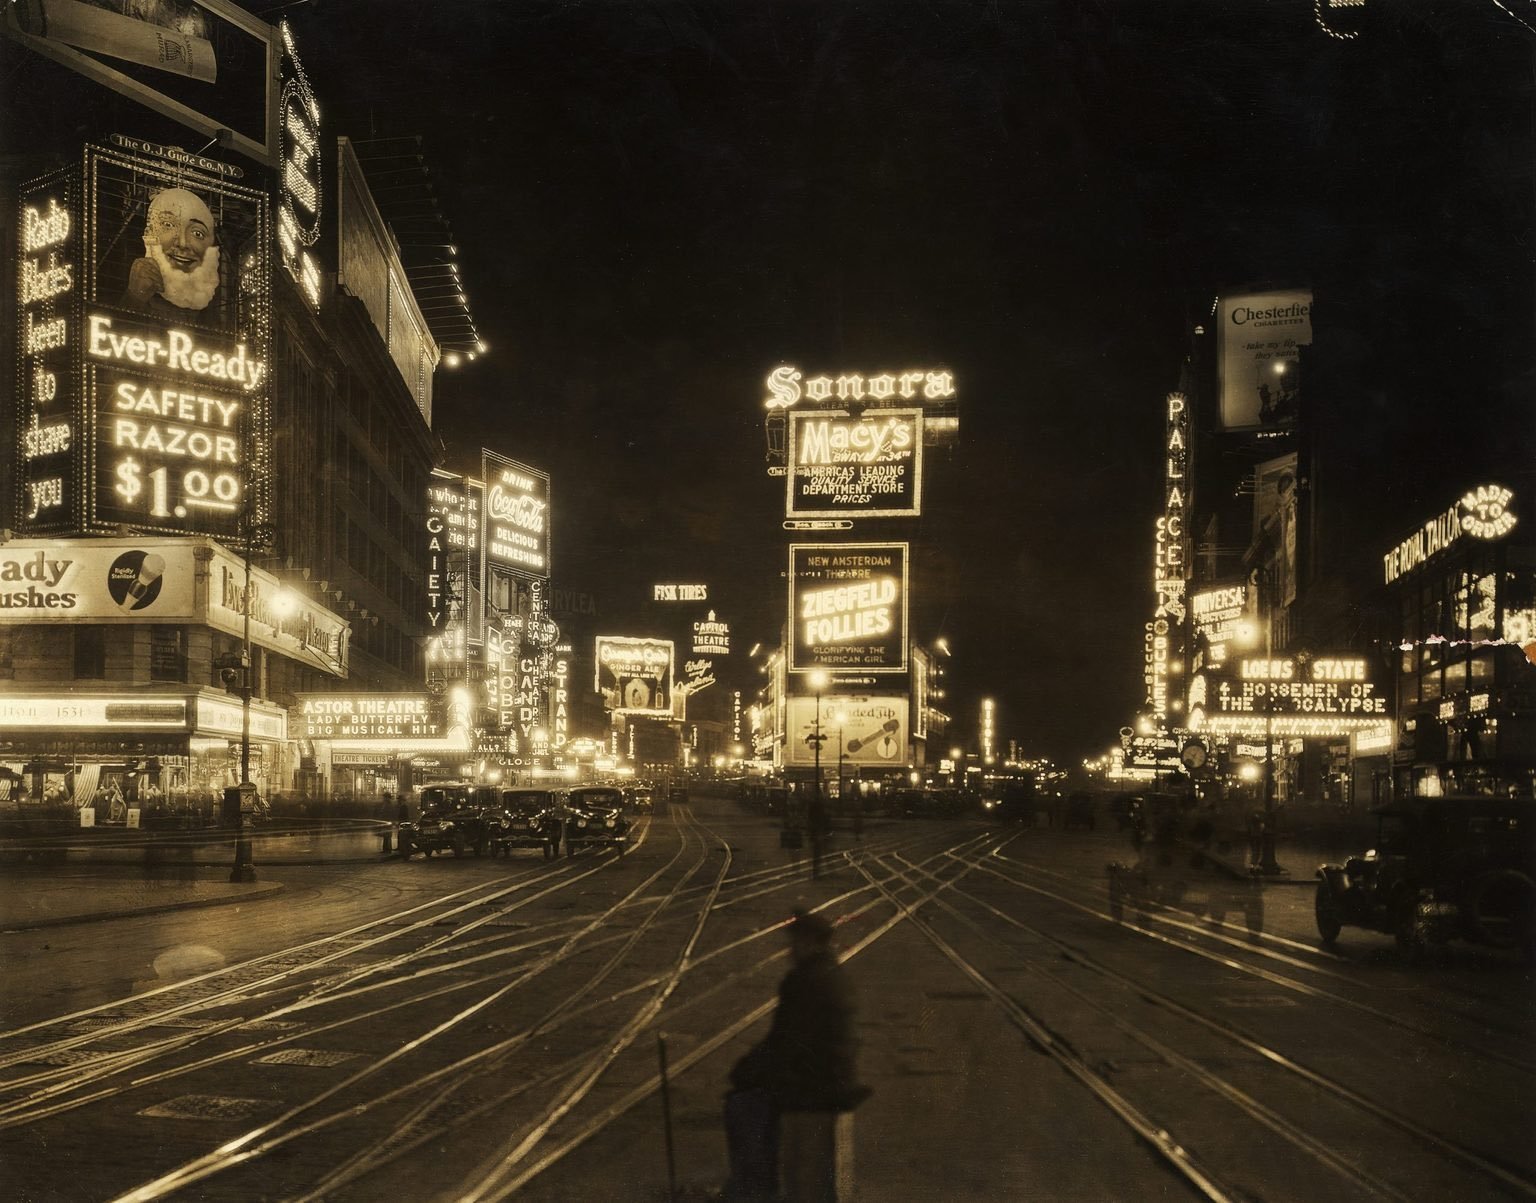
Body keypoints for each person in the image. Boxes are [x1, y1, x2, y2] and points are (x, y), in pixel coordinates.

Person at [725, 910, 870, 1202]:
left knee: (744, 1106)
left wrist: (745, 1072)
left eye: (794, 942)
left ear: (809, 943)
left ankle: (755, 1191)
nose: (790, 950)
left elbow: (786, 1042)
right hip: (831, 1078)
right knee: (751, 1099)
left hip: (815, 1086)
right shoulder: (831, 974)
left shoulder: (804, 981)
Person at [120, 186, 220, 317]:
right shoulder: (129, 284)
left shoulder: (212, 311)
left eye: (197, 233)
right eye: (168, 225)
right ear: (148, 234)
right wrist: (134, 298)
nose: (183, 243)